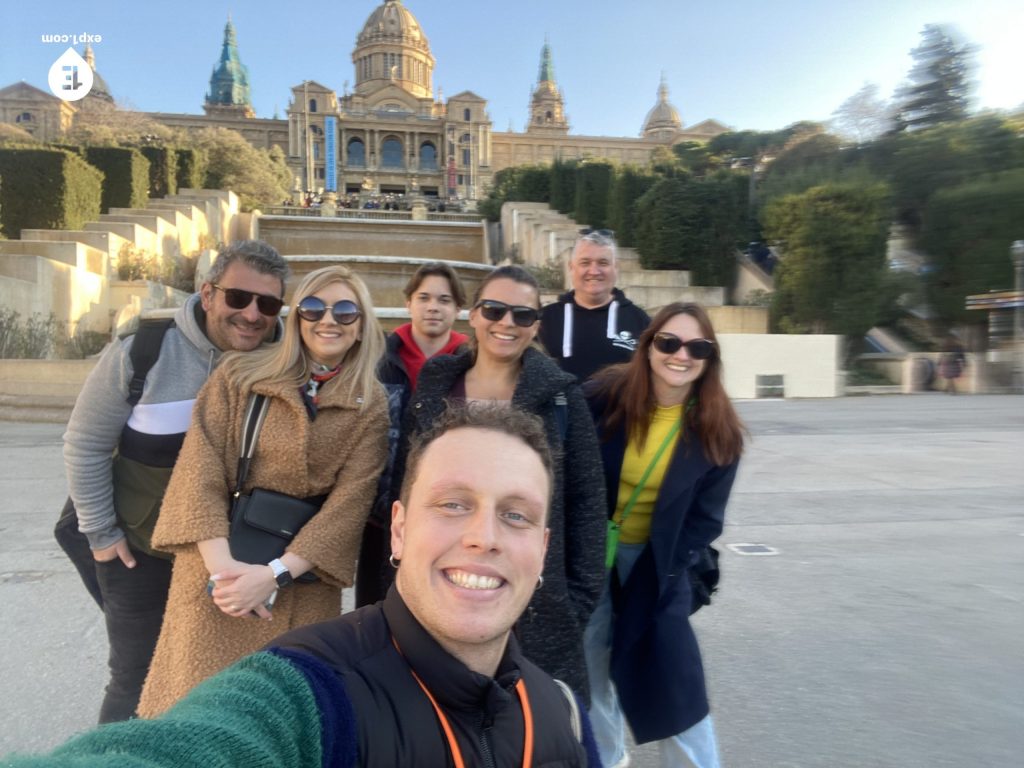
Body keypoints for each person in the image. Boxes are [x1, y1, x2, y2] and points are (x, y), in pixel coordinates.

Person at [4, 407, 601, 767]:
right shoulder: (306, 695)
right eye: (452, 504)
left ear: (542, 550)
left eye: (516, 515)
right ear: (398, 529)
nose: (484, 536)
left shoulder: (562, 711)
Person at [135, 265, 389, 718]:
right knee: (192, 712)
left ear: (361, 327)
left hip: (301, 584)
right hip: (218, 570)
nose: (328, 320)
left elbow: (349, 505)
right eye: (314, 308)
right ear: (297, 319)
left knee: (278, 717)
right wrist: (226, 575)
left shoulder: (369, 404)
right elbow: (199, 469)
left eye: (345, 311)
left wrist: (272, 576)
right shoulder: (241, 375)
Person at [58, 239, 289, 724]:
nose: (252, 315)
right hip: (140, 550)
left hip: (231, 559)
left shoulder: (288, 358)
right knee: (136, 676)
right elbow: (85, 444)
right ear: (207, 294)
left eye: (267, 304)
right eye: (238, 298)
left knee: (220, 677)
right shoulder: (143, 353)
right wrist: (101, 535)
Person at [395, 264, 607, 701]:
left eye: (523, 315)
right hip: (440, 587)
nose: (507, 323)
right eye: (494, 309)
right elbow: (408, 484)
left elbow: (588, 503)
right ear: (472, 316)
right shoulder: (436, 383)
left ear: (535, 326)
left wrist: (576, 605)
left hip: (537, 606)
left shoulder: (562, 397)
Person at [583, 302, 745, 768]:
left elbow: (705, 520)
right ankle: (607, 760)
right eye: (669, 342)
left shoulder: (719, 430)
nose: (681, 355)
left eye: (697, 347)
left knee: (676, 681)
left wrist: (666, 576)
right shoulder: (604, 395)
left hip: (660, 562)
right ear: (649, 345)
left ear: (709, 358)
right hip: (592, 554)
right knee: (590, 667)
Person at [357, 261, 469, 608]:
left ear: (458, 309)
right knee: (375, 607)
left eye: (444, 300)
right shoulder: (377, 359)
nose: (433, 307)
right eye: (424, 297)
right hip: (381, 514)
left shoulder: (472, 366)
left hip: (447, 515)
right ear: (409, 303)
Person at [540, 228, 650, 382]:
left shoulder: (640, 321)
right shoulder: (545, 319)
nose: (594, 271)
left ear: (615, 268)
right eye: (585, 262)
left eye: (603, 263)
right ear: (571, 267)